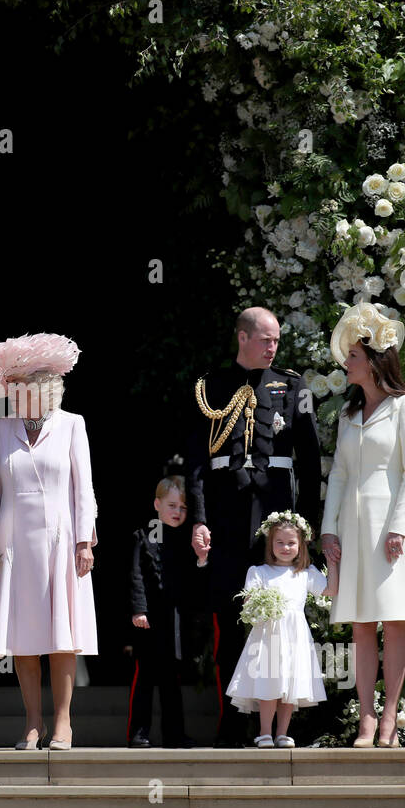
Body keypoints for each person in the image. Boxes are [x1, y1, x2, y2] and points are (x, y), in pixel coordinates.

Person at [187, 307, 321, 747]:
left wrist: (309, 526)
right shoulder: (210, 387)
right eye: (265, 339)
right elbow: (197, 463)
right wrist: (200, 518)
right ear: (242, 337)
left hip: (275, 516)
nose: (272, 347)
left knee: (280, 623)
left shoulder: (294, 386)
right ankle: (231, 725)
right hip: (226, 514)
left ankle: (279, 728)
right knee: (227, 620)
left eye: (277, 340)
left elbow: (310, 457)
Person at [0, 333, 97, 750]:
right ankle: (32, 722)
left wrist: (84, 542)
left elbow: (84, 490)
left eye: (20, 389)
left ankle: (63, 723)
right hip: (15, 545)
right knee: (22, 637)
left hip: (60, 543)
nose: (12, 396)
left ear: (44, 391)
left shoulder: (73, 424)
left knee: (61, 636)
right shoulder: (3, 429)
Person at [319, 303, 405, 749]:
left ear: (373, 360)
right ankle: (365, 719)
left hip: (390, 527)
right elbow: (341, 475)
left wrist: (399, 527)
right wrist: (329, 529)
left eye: (352, 356)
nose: (346, 363)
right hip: (353, 527)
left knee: (392, 620)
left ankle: (390, 719)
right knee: (360, 623)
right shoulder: (347, 416)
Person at [225, 511, 337, 747]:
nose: (285, 547)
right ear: (270, 543)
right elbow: (249, 601)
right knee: (269, 682)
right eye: (280, 542)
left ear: (301, 544)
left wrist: (333, 562)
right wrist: (260, 604)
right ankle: (265, 732)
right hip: (268, 634)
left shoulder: (305, 574)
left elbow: (330, 591)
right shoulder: (258, 572)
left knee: (289, 684)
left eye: (291, 543)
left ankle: (283, 733)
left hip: (295, 635)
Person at [127, 476, 203, 748]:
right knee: (145, 678)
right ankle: (138, 732)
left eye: (183, 508)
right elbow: (136, 576)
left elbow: (193, 578)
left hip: (174, 621)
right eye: (172, 505)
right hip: (149, 620)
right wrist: (139, 610)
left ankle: (174, 734)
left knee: (172, 680)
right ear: (157, 504)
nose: (177, 512)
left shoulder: (186, 540)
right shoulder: (142, 536)